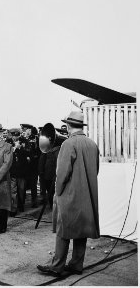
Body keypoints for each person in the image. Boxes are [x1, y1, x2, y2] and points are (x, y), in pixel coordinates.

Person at [37, 111, 100, 277]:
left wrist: (57, 193)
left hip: (68, 194)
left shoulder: (68, 144)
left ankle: (57, 266)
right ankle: (76, 265)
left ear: (69, 126)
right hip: (87, 194)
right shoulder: (92, 144)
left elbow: (62, 174)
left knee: (63, 229)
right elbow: (96, 170)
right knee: (82, 230)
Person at [11, 137, 29, 212]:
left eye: (17, 142)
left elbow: (25, 163)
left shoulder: (23, 152)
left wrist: (17, 150)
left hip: (21, 175)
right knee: (13, 192)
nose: (16, 144)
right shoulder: (10, 151)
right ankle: (13, 209)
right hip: (13, 174)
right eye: (15, 142)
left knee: (21, 191)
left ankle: (21, 205)